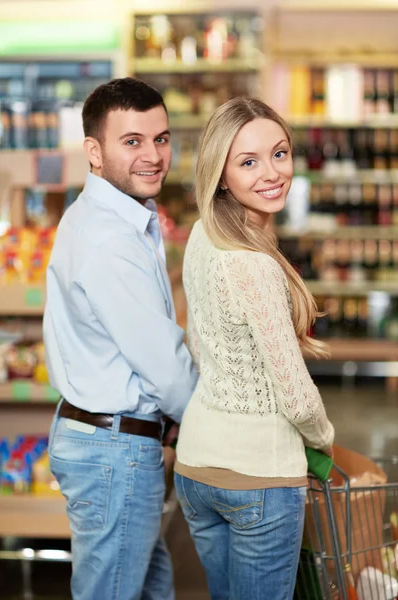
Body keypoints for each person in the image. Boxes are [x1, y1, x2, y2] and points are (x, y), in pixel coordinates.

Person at [173, 97, 335, 600]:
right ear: (221, 174)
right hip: (260, 479)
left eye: (280, 153)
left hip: (196, 469)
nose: (272, 173)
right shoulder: (255, 266)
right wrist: (324, 438)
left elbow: (199, 346)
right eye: (248, 162)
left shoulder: (203, 235)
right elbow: (296, 395)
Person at [43, 78, 198, 600]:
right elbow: (166, 367)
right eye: (132, 141)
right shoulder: (111, 240)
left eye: (160, 138)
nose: (153, 155)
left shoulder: (106, 219)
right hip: (114, 452)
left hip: (103, 441)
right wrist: (213, 417)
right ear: (95, 151)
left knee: (152, 589)